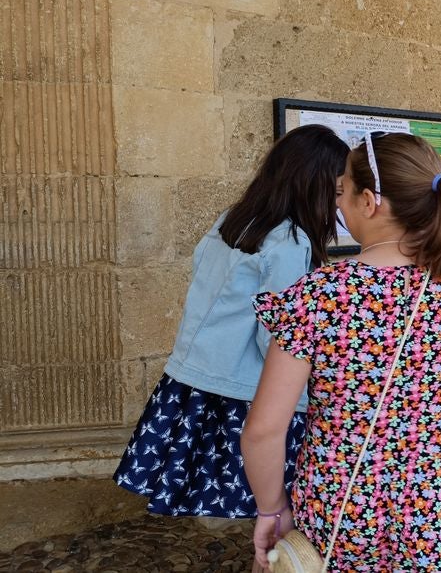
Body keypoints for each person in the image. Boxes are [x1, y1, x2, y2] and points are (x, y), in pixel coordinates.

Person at [242, 133, 441, 571]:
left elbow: (264, 430)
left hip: (341, 501)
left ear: (368, 202)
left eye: (341, 192)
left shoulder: (320, 296)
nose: (338, 206)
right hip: (435, 500)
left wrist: (271, 509)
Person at [113, 125, 349, 518]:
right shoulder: (290, 242)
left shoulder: (233, 221)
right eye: (337, 191)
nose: (339, 204)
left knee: (239, 506)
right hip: (245, 391)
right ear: (314, 184)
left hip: (195, 379)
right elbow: (276, 337)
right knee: (274, 508)